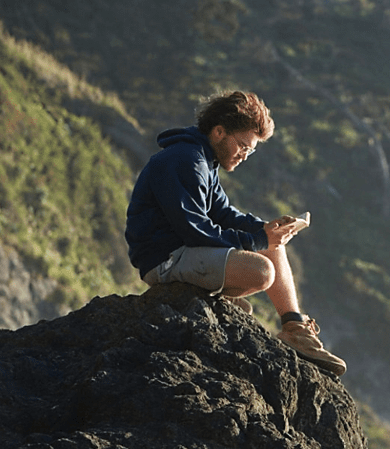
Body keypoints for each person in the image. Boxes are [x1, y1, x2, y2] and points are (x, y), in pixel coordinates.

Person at [125, 90, 346, 376]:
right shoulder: (184, 160)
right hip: (165, 261)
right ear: (219, 131)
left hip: (187, 254)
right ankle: (212, 297)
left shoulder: (204, 161)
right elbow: (196, 231)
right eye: (243, 145)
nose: (244, 155)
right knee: (262, 271)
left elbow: (225, 214)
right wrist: (257, 240)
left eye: (250, 150)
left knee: (272, 244)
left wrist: (264, 230)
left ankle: (295, 328)